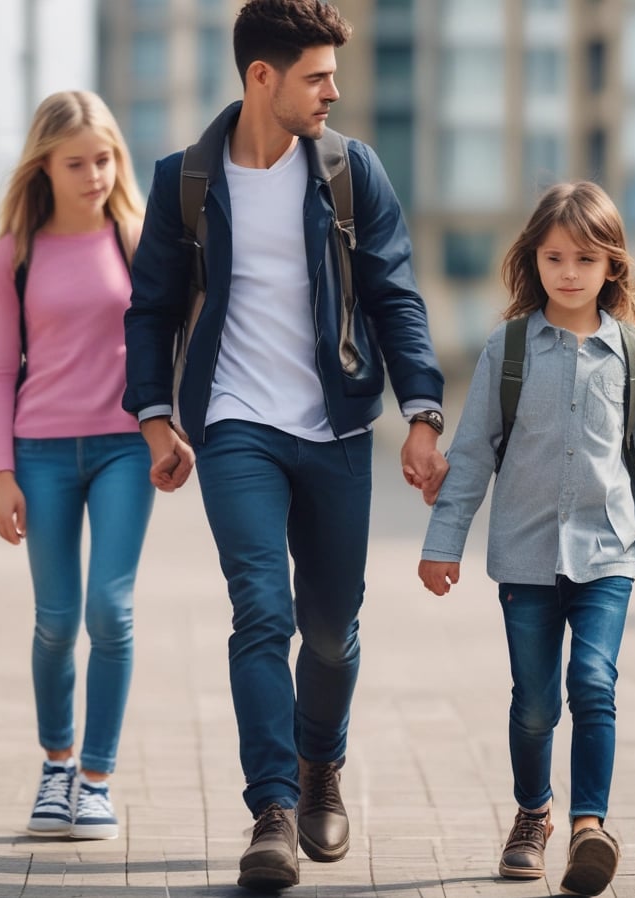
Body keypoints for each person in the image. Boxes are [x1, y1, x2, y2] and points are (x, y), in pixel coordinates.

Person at [123, 0, 447, 888]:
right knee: (261, 610)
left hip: (338, 426)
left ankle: (319, 771)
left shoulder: (351, 173)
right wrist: (156, 417)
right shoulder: (184, 181)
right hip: (235, 428)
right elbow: (149, 309)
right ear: (261, 77)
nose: (333, 92)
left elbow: (396, 296)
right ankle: (270, 808)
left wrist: (421, 411)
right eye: (317, 76)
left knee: (332, 633)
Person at [418, 181, 635, 897]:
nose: (570, 272)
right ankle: (532, 813)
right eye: (555, 257)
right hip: (524, 554)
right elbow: (476, 450)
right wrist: (443, 541)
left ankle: (588, 827)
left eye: (585, 258)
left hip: (608, 554)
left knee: (594, 685)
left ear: (611, 265)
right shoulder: (508, 348)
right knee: (535, 703)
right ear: (534, 261)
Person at [0, 90, 153, 841]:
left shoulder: (137, 242)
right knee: (55, 622)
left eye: (105, 158)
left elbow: (167, 346)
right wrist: (0, 475)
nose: (94, 175)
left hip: (122, 449)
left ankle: (96, 780)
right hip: (40, 454)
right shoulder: (12, 255)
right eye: (76, 162)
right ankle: (56, 766)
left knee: (109, 613)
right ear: (43, 167)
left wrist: (166, 427)